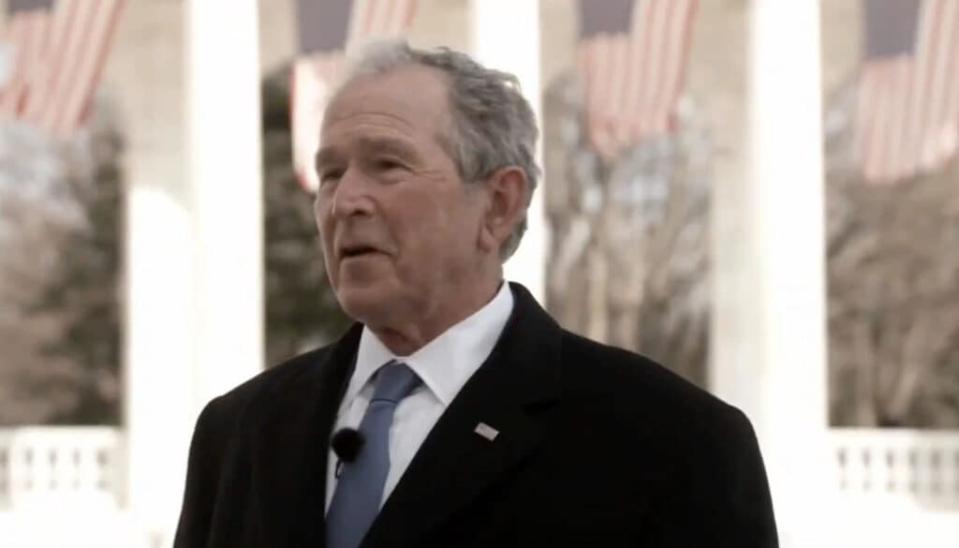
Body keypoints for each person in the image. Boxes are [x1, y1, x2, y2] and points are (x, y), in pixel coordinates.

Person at [173, 41, 778, 548]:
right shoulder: (238, 434)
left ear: (498, 204)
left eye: (387, 165)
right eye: (330, 173)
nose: (344, 201)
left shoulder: (673, 443)